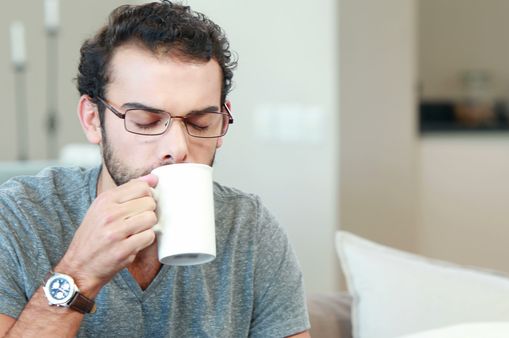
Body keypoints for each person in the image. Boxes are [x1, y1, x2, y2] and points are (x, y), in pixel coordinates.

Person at [0, 1, 310, 337]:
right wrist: (80, 272)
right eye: (146, 122)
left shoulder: (249, 229)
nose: (177, 149)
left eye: (200, 123)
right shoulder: (19, 218)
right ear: (93, 120)